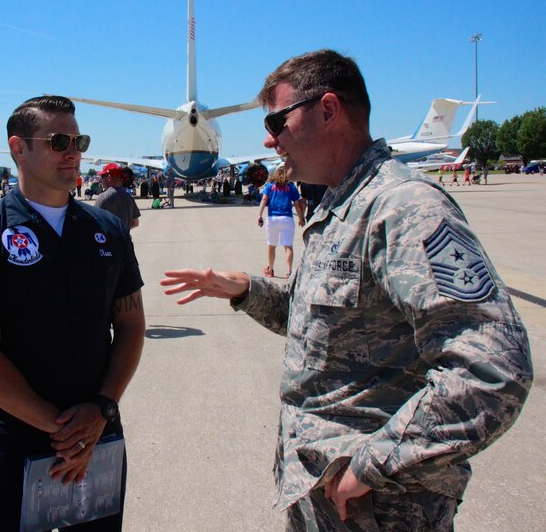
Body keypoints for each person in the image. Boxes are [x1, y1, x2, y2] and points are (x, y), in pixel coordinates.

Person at [161, 49, 533, 532]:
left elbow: (493, 368)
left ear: (329, 110)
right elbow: (324, 319)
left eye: (277, 121)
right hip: (322, 494)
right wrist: (247, 290)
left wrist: (373, 463)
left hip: (381, 508)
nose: (268, 140)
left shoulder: (402, 209)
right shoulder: (341, 205)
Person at [0, 96, 146, 532]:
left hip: (99, 433)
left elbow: (130, 325)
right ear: (18, 148)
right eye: (58, 141)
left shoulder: (107, 231)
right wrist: (65, 430)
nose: (73, 152)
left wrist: (101, 411)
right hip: (16, 441)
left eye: (78, 140)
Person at [257, 166, 304, 278]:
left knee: (271, 246)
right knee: (288, 247)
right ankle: (289, 272)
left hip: (272, 219)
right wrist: (301, 218)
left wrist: (259, 215)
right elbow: (297, 205)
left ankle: (271, 269)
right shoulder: (292, 187)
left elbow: (264, 199)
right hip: (287, 219)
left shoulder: (269, 186)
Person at [94, 163, 141, 230]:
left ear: (109, 178)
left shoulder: (103, 197)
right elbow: (135, 223)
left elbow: (95, 222)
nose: (101, 180)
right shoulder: (129, 197)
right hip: (125, 239)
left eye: (102, 177)